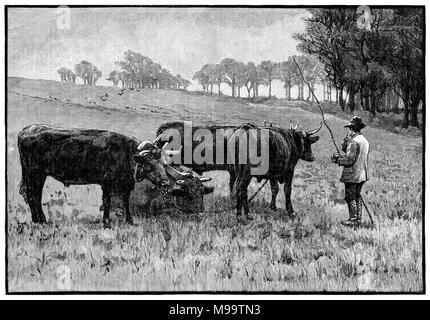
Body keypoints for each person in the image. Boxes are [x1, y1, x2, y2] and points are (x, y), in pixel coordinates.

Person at [331, 116, 369, 228]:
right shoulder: (364, 140)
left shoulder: (354, 142)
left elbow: (350, 160)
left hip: (353, 174)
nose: (348, 131)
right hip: (362, 174)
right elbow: (352, 155)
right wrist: (345, 145)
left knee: (350, 197)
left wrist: (337, 160)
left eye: (350, 129)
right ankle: (358, 219)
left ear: (352, 129)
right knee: (357, 196)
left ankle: (353, 220)